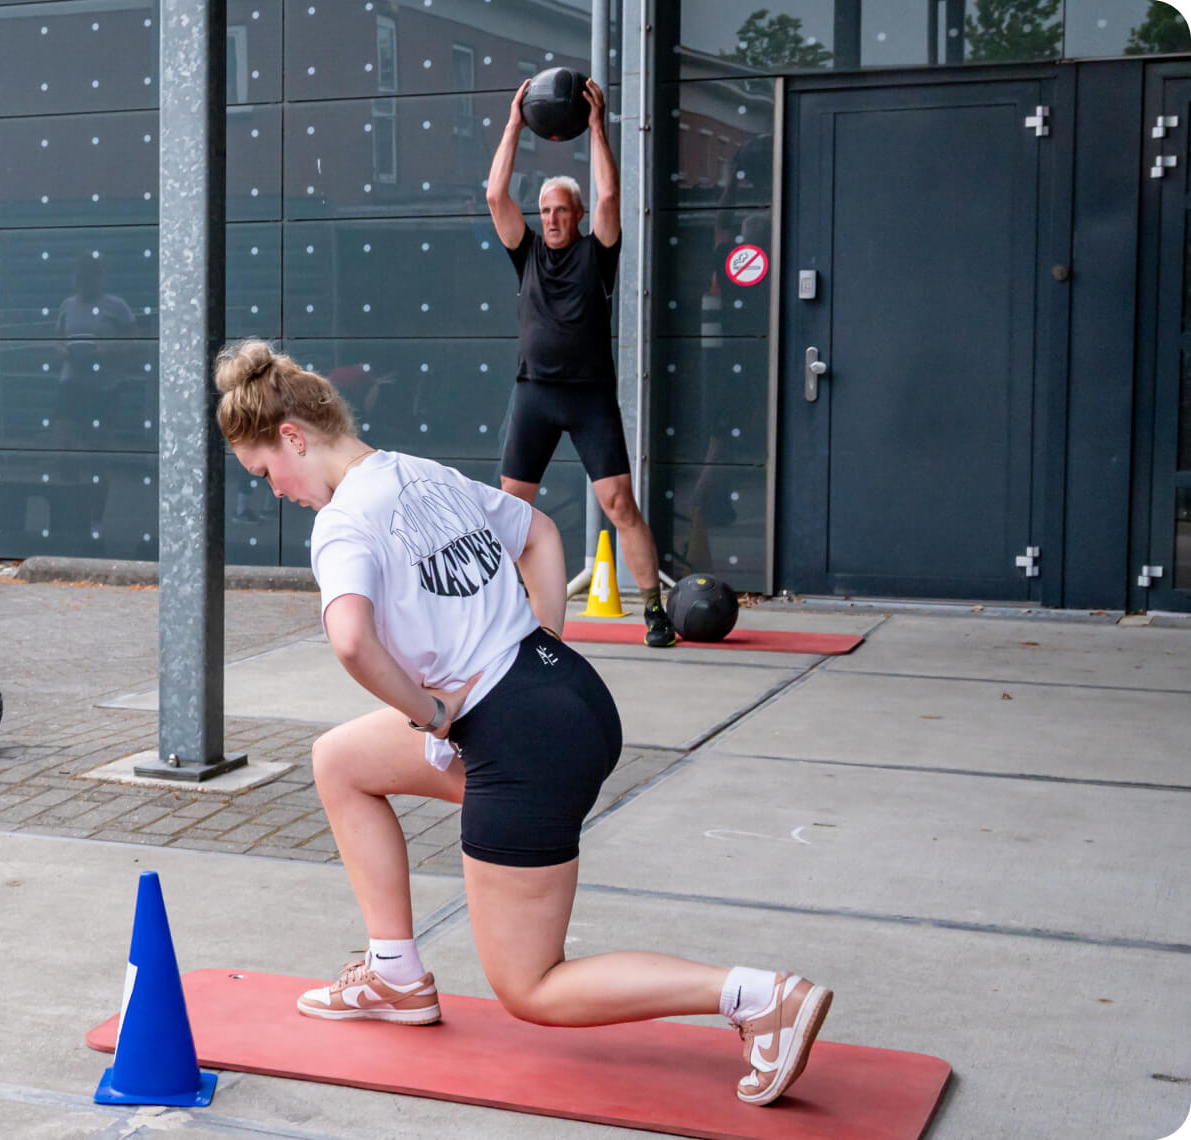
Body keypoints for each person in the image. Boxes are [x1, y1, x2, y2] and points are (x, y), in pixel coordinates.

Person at [215, 340, 831, 1108]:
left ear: (293, 439)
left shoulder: (341, 524)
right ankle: (395, 973)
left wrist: (431, 712)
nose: (274, 490)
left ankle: (756, 998)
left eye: (265, 472)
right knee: (340, 760)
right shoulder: (419, 472)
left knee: (531, 985)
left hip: (520, 738)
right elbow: (538, 536)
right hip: (565, 695)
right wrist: (532, 649)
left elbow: (350, 640)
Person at [486, 77, 676, 647]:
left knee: (620, 504)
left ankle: (653, 610)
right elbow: (497, 195)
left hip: (589, 397)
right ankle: (504, 612)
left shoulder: (599, 254)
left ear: (577, 214)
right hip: (535, 396)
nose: (549, 219)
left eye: (560, 210)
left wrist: (596, 127)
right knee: (510, 510)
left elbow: (612, 196)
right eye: (544, 210)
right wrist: (516, 122)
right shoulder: (527, 254)